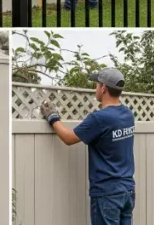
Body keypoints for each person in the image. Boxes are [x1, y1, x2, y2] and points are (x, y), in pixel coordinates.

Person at [40, 68, 135, 225]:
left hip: (107, 193)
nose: (95, 88)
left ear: (103, 88)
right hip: (127, 190)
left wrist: (52, 117)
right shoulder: (128, 114)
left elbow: (68, 138)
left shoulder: (100, 118)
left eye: (97, 84)